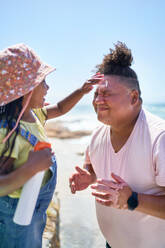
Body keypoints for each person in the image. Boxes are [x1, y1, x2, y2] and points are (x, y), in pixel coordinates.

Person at [0, 43, 103, 248]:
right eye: (43, 82)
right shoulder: (8, 132)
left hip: (36, 205)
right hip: (17, 212)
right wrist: (31, 168)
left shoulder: (34, 114)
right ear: (25, 90)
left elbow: (62, 108)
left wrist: (81, 91)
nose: (48, 87)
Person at [69, 42, 165, 248]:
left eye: (106, 93)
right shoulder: (98, 133)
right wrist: (88, 176)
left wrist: (132, 200)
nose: (97, 100)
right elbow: (92, 164)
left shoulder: (159, 138)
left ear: (133, 97)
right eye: (96, 94)